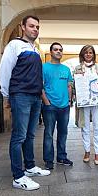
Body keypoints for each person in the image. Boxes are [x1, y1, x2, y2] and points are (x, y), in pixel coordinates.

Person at [0, 15, 50, 191]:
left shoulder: (35, 50)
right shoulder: (14, 45)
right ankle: (18, 177)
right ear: (23, 27)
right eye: (31, 26)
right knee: (19, 136)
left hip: (35, 97)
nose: (35, 29)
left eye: (37, 27)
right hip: (20, 95)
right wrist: (6, 95)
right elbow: (5, 70)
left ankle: (29, 167)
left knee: (30, 135)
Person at [73, 45, 98, 165]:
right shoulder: (77, 68)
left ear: (93, 54)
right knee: (85, 127)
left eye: (90, 53)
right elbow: (74, 85)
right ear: (82, 54)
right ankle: (87, 151)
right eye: (86, 53)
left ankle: (97, 152)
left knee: (97, 127)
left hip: (96, 99)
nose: (88, 54)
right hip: (83, 101)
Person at [41, 42, 73, 170]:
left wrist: (69, 101)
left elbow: (69, 85)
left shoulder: (66, 69)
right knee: (49, 133)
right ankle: (48, 160)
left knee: (63, 133)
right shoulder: (44, 67)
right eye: (56, 49)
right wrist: (46, 102)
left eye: (60, 50)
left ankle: (61, 157)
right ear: (51, 52)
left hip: (64, 106)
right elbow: (40, 86)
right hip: (50, 106)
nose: (58, 51)